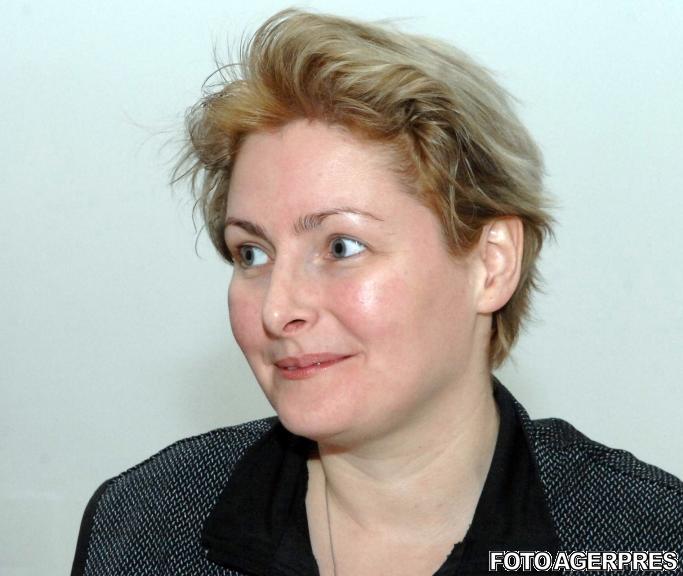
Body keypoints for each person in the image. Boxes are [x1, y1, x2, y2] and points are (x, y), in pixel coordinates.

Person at [71, 9, 683, 576]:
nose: (278, 309)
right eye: (251, 253)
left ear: (491, 264)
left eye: (341, 246)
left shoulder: (647, 543)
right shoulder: (144, 525)